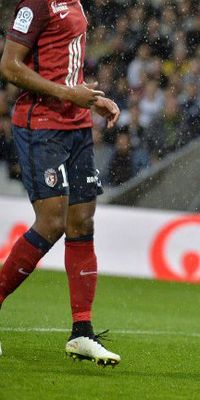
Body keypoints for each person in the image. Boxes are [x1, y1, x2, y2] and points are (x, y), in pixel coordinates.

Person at [0, 0, 121, 365]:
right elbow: (9, 66)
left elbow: (62, 67)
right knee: (52, 222)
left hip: (77, 125)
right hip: (41, 125)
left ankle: (81, 331)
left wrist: (89, 98)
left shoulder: (75, 3)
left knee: (82, 222)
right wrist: (69, 95)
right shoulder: (36, 3)